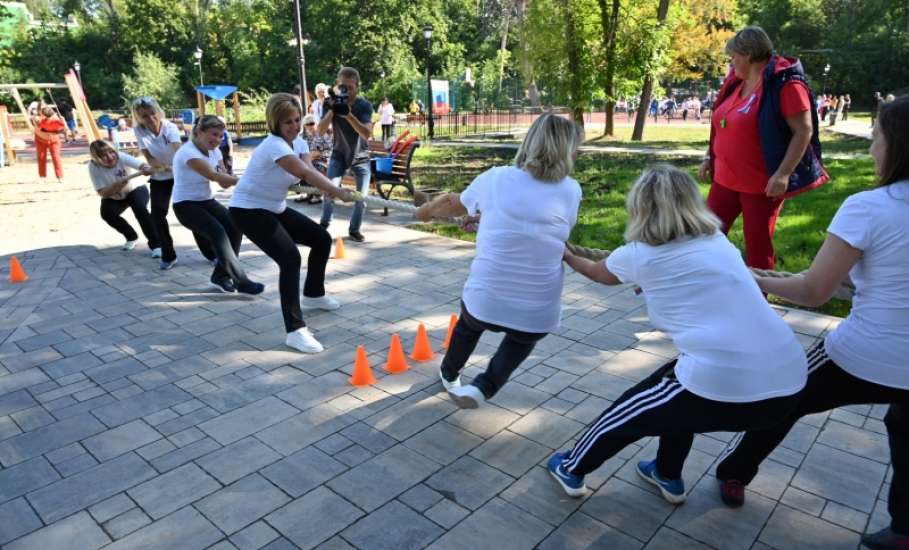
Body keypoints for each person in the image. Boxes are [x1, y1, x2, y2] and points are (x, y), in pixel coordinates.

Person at [547, 164, 807, 505]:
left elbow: (598, 273)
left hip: (727, 380)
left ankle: (570, 466)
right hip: (788, 385)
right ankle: (666, 473)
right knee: (678, 396)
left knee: (627, 412)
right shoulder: (717, 241)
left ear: (639, 207)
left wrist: (566, 254)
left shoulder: (638, 255)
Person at [715, 95, 909, 550]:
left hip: (863, 354)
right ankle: (904, 530)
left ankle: (734, 472)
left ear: (896, 146)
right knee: (905, 428)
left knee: (784, 398)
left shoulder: (869, 207)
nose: (870, 150)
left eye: (876, 139)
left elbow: (813, 292)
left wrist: (743, 274)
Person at [415, 113, 583, 409]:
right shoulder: (571, 190)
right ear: (565, 151)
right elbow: (548, 228)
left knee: (469, 324)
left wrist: (426, 210)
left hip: (487, 302)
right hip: (537, 312)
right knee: (522, 340)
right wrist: (489, 218)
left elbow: (455, 204)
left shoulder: (497, 178)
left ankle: (449, 372)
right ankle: (484, 387)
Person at [230, 93, 355, 353]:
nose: (295, 126)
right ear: (275, 122)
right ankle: (295, 330)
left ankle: (314, 294)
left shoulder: (297, 142)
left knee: (320, 238)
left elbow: (309, 171)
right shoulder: (274, 145)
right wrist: (337, 190)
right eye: (288, 122)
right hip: (248, 210)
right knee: (289, 258)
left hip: (273, 208)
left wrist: (329, 188)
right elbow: (305, 172)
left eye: (297, 120)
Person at [700, 26, 827, 271]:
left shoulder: (786, 84)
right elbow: (721, 124)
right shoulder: (736, 83)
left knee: (757, 248)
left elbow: (804, 130)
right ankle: (710, 287)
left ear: (747, 54)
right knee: (704, 236)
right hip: (725, 180)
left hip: (761, 186)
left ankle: (758, 301)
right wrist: (710, 156)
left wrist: (783, 174)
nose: (731, 61)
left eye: (733, 56)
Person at [171, 115, 264, 295]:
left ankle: (220, 276)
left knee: (235, 226)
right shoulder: (188, 153)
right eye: (214, 134)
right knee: (218, 232)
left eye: (221, 136)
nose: (217, 140)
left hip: (206, 201)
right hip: (185, 205)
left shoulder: (215, 151)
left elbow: (223, 182)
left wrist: (245, 179)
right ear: (199, 132)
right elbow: (214, 176)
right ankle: (241, 281)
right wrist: (248, 181)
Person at [133, 96, 216, 269]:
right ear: (138, 117)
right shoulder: (139, 130)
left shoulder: (169, 127)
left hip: (180, 175)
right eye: (145, 116)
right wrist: (156, 166)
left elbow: (179, 153)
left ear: (158, 112)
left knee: (191, 212)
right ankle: (168, 255)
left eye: (152, 113)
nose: (150, 119)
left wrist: (173, 167)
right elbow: (148, 156)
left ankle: (211, 253)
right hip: (160, 177)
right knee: (157, 214)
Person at [317, 66, 374, 242]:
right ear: (337, 85)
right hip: (339, 153)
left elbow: (367, 133)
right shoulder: (330, 102)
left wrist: (348, 115)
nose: (346, 91)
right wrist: (333, 110)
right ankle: (323, 225)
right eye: (342, 86)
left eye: (350, 87)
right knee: (330, 190)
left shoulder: (364, 105)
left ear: (357, 87)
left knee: (361, 198)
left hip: (361, 156)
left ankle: (354, 229)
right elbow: (320, 131)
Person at [87, 140, 160, 252]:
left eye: (112, 152)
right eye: (104, 156)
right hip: (114, 194)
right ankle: (131, 236)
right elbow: (103, 193)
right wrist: (116, 186)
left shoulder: (121, 156)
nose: (110, 157)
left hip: (134, 189)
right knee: (107, 214)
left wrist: (146, 168)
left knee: (140, 209)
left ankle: (156, 245)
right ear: (97, 159)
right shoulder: (93, 166)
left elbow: (141, 165)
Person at [294, 114, 331, 204]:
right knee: (301, 166)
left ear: (316, 124)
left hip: (322, 161)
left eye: (312, 123)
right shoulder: (302, 136)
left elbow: (323, 152)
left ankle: (317, 195)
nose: (310, 126)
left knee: (312, 167)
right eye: (308, 124)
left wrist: (318, 154)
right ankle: (308, 193)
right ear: (304, 125)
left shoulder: (321, 135)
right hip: (307, 160)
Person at [34, 106, 65, 183]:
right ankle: (58, 177)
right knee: (51, 157)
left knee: (51, 157)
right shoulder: (57, 121)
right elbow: (63, 129)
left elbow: (38, 127)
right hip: (43, 140)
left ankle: (46, 177)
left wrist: (36, 122)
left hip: (50, 140)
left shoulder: (45, 121)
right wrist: (62, 120)